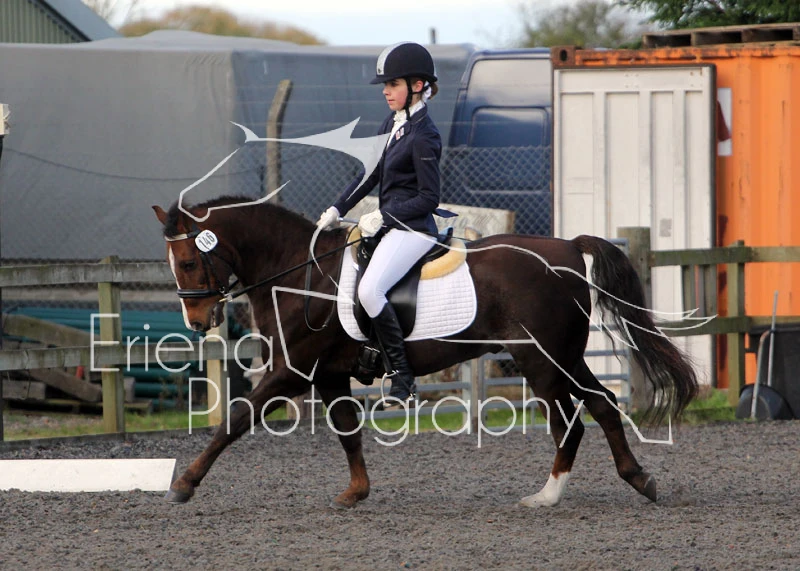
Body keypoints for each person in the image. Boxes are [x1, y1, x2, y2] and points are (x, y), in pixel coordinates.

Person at [316, 41, 443, 407]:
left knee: (371, 291)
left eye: (393, 84)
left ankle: (403, 378)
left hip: (413, 230)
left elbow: (429, 198)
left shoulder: (425, 135)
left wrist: (384, 215)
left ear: (417, 85)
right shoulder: (393, 122)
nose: (386, 91)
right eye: (385, 85)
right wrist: (338, 207)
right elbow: (370, 174)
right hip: (389, 226)